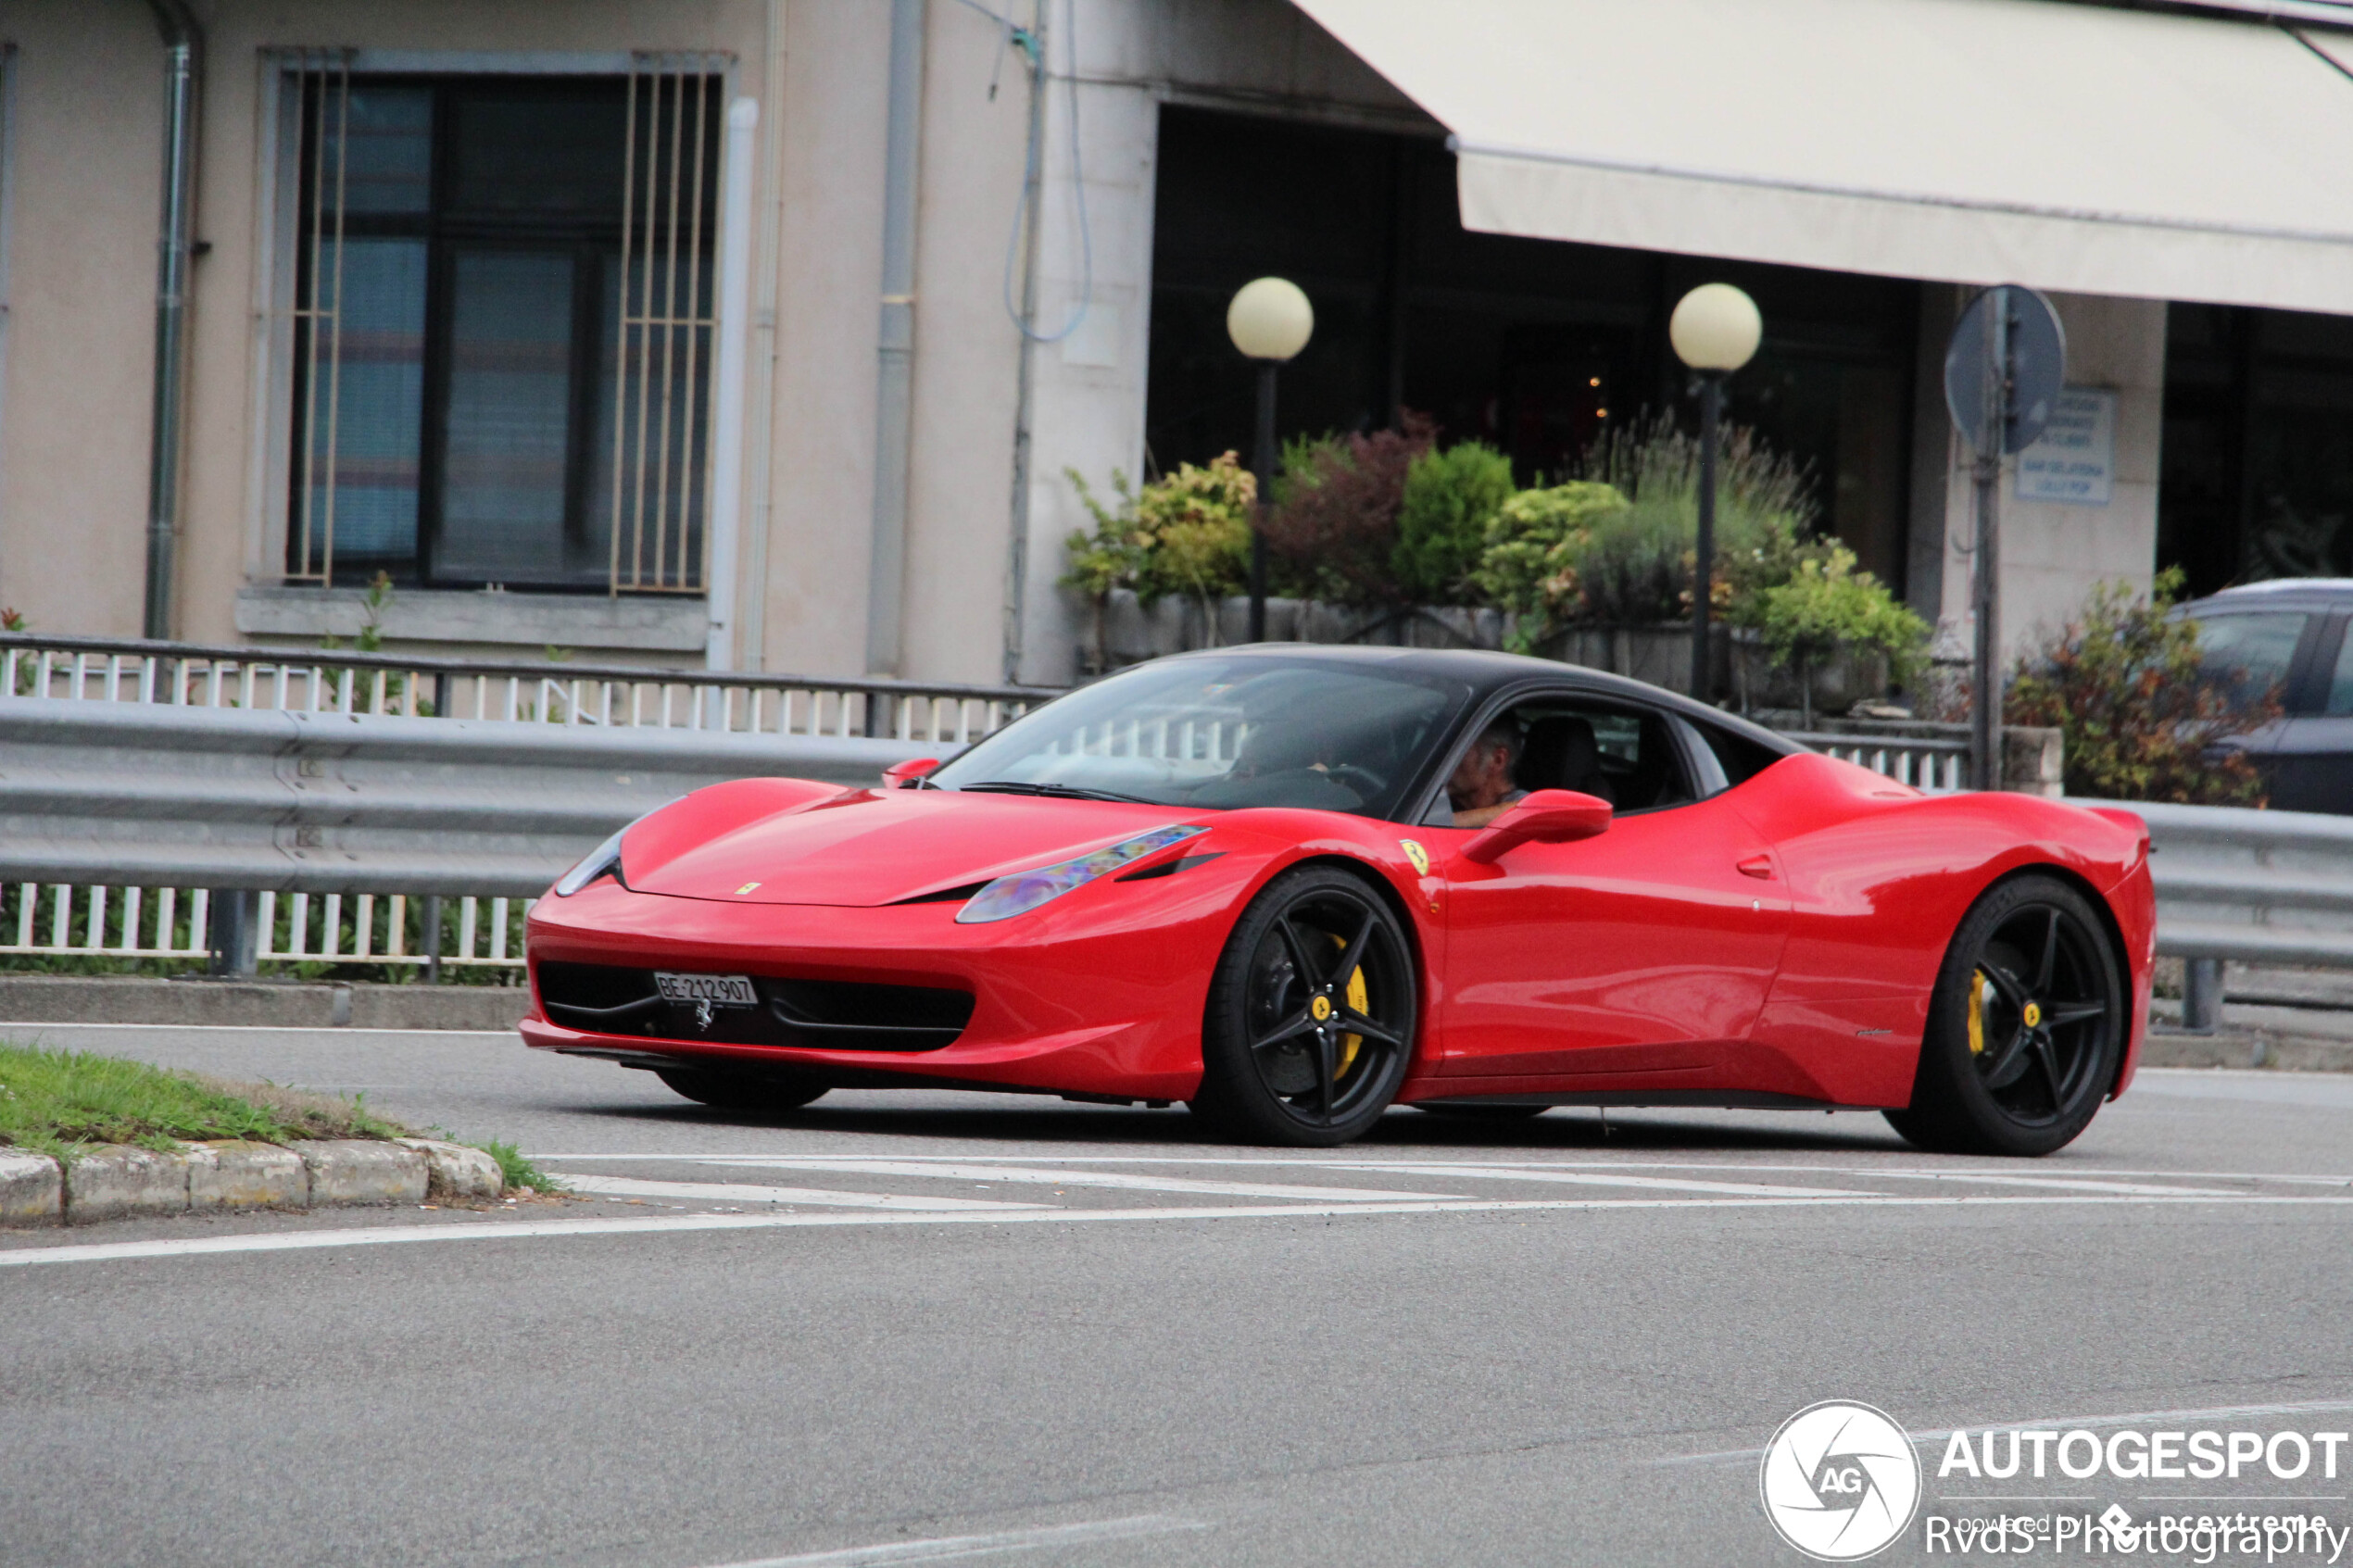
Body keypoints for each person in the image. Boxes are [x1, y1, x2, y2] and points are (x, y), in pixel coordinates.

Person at [1445, 719, 1526, 829]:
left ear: (1498, 760)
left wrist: (1448, 821)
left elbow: (1536, 810)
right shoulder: (1444, 802)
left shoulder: (1525, 806)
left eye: (1460, 751)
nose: (1447, 761)